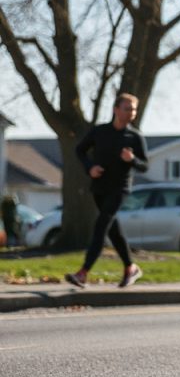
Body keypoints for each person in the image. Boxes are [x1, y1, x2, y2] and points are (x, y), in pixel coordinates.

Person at [65, 93, 149, 288]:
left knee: (101, 226)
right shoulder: (100, 132)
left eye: (134, 109)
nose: (131, 113)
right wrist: (90, 168)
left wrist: (132, 160)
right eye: (127, 108)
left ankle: (83, 273)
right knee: (114, 231)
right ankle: (131, 267)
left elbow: (144, 165)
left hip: (120, 188)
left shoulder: (135, 137)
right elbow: (80, 150)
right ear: (116, 110)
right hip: (100, 187)